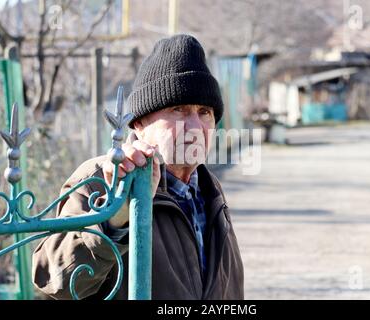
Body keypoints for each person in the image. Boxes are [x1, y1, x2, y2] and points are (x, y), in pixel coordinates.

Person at [31, 34, 244, 300]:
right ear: (139, 124)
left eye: (205, 112)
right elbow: (53, 279)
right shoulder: (103, 179)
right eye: (179, 109)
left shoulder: (210, 189)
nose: (195, 127)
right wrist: (112, 220)